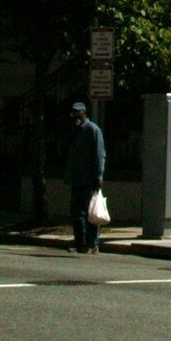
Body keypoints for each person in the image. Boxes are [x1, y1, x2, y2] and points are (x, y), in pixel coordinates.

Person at [66, 101, 106, 253]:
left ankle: (92, 243)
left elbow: (99, 154)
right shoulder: (75, 131)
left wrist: (99, 175)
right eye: (73, 113)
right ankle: (80, 243)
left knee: (90, 213)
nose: (75, 116)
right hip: (77, 179)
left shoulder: (93, 130)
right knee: (77, 213)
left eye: (78, 113)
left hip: (89, 179)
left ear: (84, 113)